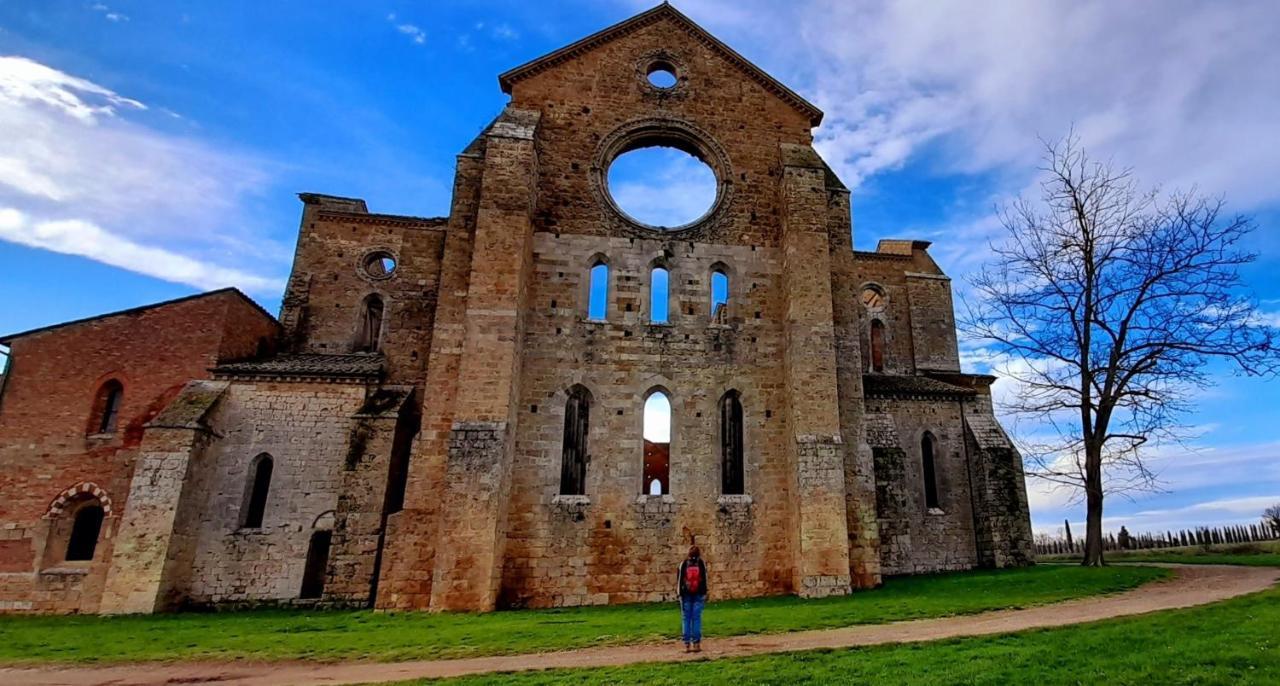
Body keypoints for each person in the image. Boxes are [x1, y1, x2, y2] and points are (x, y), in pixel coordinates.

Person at [677, 545, 709, 652]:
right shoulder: (701, 564)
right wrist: (705, 593)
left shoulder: (684, 564)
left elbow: (680, 580)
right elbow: (704, 579)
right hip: (698, 594)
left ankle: (686, 644)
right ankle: (696, 644)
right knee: (696, 618)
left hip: (685, 594)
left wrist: (679, 594)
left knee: (686, 618)